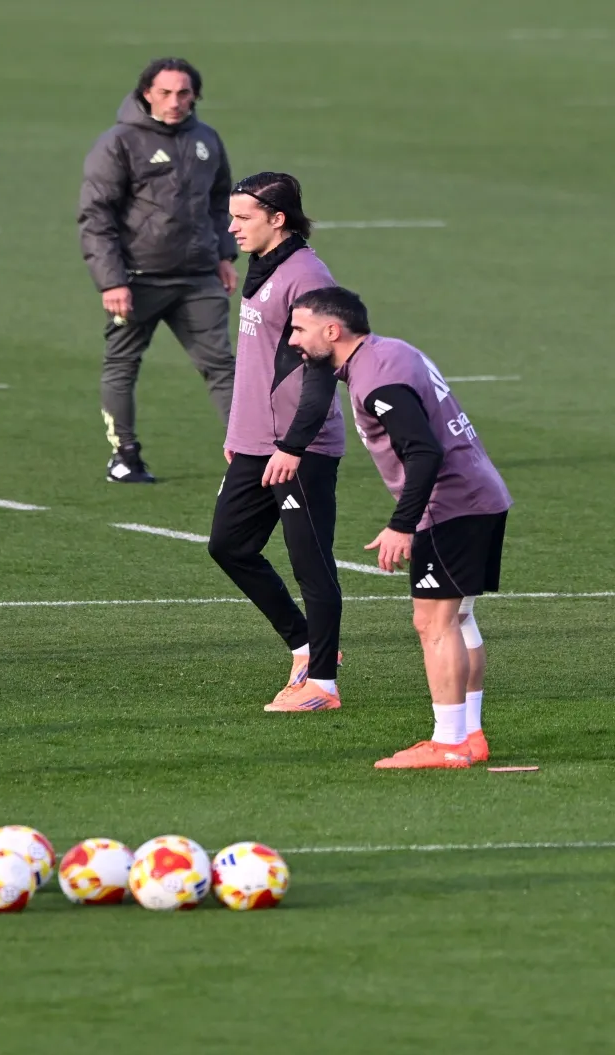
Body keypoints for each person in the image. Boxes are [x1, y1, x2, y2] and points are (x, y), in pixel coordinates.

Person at [287, 288, 513, 768]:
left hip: (451, 507)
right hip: (479, 496)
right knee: (457, 619)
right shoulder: (391, 351)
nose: (292, 340)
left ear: (333, 330)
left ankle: (449, 742)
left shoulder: (375, 376)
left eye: (300, 329)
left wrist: (401, 525)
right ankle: (469, 735)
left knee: (432, 623)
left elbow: (424, 451)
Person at [207, 172, 346, 711]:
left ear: (277, 219)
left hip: (298, 448)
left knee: (311, 563)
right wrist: (238, 430)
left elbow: (320, 373)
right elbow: (263, 362)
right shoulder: (262, 266)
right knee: (229, 545)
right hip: (254, 441)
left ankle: (323, 687)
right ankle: (306, 645)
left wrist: (292, 446)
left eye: (243, 218)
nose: (232, 227)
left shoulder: (307, 277)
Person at [78, 56, 238, 483]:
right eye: (165, 92)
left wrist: (224, 254)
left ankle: (245, 454)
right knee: (123, 364)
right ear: (146, 93)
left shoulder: (207, 139)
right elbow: (96, 215)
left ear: (195, 96)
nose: (174, 101)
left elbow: (221, 201)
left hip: (198, 276)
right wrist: (111, 280)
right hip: (138, 279)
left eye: (183, 93)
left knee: (223, 366)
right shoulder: (119, 142)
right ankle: (124, 455)